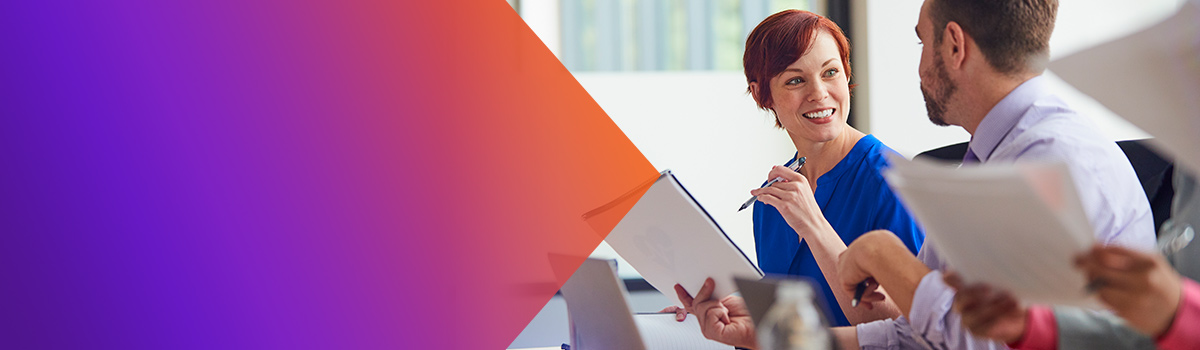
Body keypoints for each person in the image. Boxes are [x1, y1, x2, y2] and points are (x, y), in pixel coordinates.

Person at [829, 0, 1158, 349]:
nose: (921, 67)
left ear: (955, 45)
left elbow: (982, 341)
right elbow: (921, 333)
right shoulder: (992, 157)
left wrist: (881, 253)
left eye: (922, 43)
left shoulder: (1054, 163)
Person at [667, 9, 924, 331]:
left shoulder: (894, 181)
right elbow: (805, 326)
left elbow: (910, 328)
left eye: (830, 72)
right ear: (763, 94)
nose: (818, 93)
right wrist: (738, 311)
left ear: (846, 75)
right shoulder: (772, 200)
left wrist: (813, 224)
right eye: (796, 80)